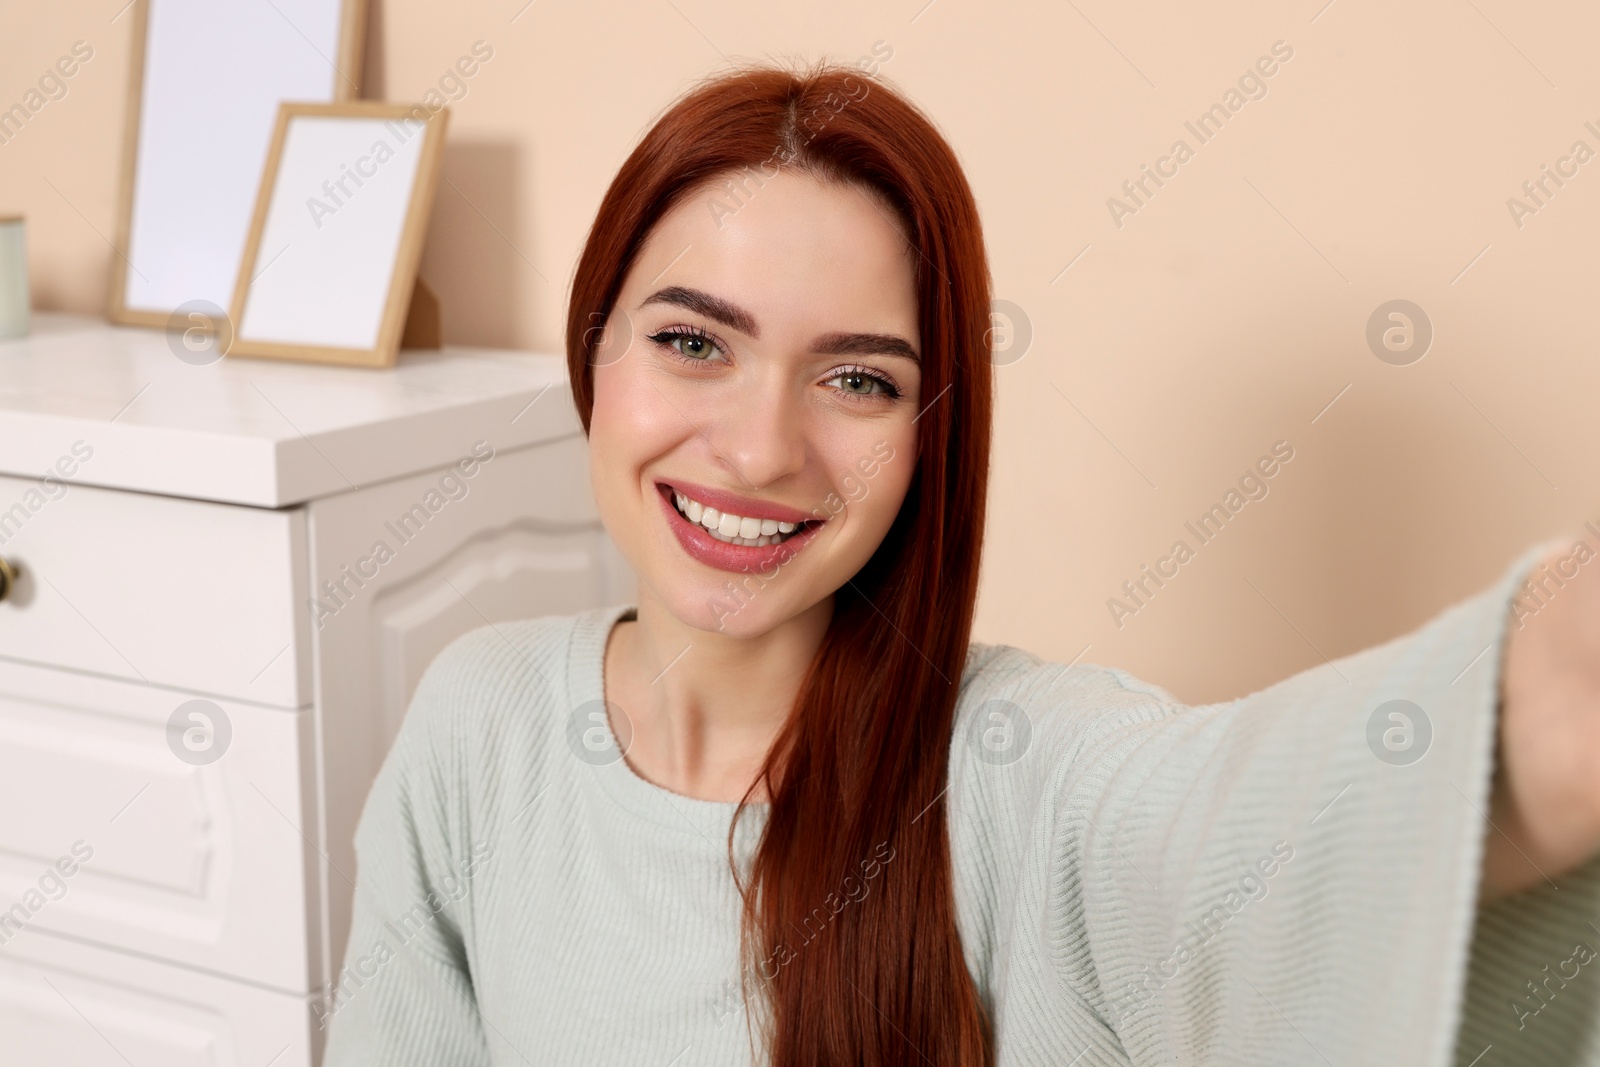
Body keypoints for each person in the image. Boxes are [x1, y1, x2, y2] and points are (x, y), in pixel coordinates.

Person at [322, 64, 1600, 1066]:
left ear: (931, 436)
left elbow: (1387, 785)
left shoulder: (1024, 771)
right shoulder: (473, 721)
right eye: (693, 343)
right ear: (592, 351)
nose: (762, 446)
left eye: (857, 377)